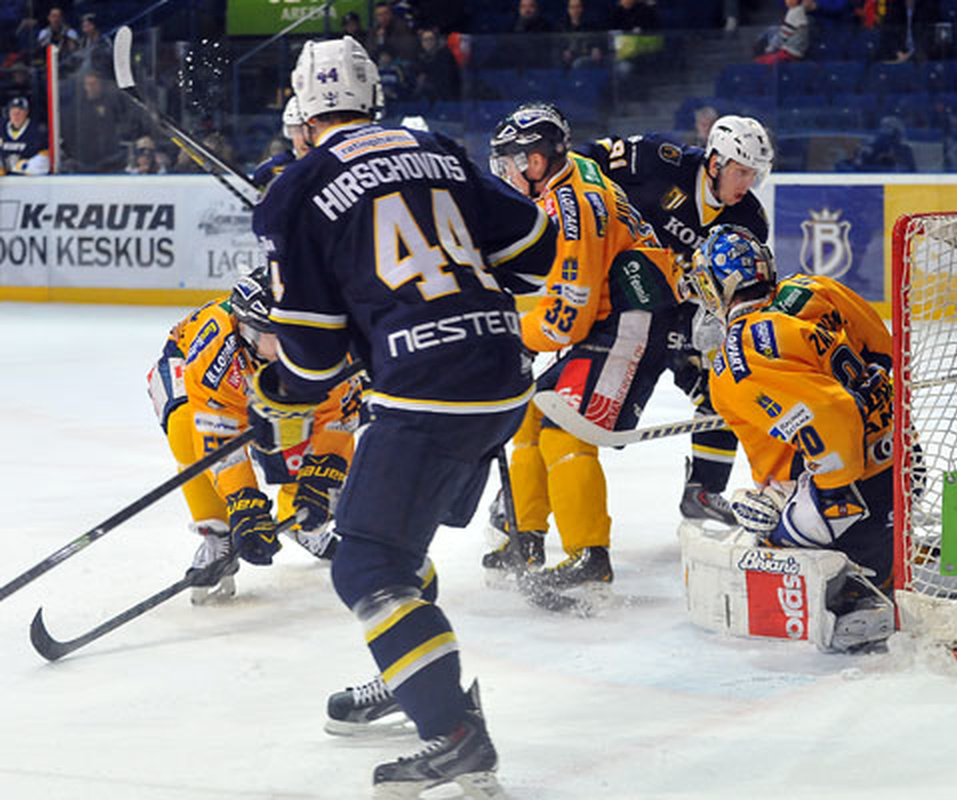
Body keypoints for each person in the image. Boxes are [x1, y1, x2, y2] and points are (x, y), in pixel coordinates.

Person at [248, 37, 557, 796]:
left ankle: (452, 730)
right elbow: (538, 251)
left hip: (430, 394)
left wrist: (275, 396)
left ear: (302, 114)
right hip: (502, 376)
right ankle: (414, 673)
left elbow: (315, 363)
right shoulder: (439, 151)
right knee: (400, 543)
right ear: (373, 98)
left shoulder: (297, 187)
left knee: (366, 563)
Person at [483, 103, 682, 598]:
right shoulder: (567, 178)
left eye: (512, 161)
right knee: (529, 416)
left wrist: (515, 337)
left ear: (536, 161)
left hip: (633, 321)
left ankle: (590, 560)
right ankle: (524, 538)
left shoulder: (574, 208)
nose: (506, 172)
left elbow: (566, 316)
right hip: (610, 318)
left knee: (564, 431)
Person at [689, 224, 896, 649]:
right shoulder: (813, 289)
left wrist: (828, 502)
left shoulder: (737, 360)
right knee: (771, 506)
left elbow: (832, 416)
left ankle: (857, 595)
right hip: (905, 464)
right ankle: (890, 561)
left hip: (856, 492)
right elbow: (882, 348)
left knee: (763, 544)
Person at [575, 115, 773, 526]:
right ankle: (518, 503)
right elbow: (583, 161)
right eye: (740, 172)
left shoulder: (750, 221)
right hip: (623, 309)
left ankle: (703, 490)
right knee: (590, 415)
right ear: (715, 162)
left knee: (723, 391)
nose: (746, 184)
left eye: (753, 175)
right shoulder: (658, 160)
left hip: (684, 320)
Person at [148, 269, 359, 604]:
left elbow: (337, 415)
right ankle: (217, 533)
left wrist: (322, 474)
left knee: (293, 415)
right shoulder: (216, 348)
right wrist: (242, 501)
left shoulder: (321, 341)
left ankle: (295, 512)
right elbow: (216, 434)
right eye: (271, 335)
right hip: (185, 364)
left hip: (250, 376)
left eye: (291, 335)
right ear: (244, 327)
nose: (282, 347)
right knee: (185, 427)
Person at [250, 96, 309, 191]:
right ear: (288, 132)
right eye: (298, 130)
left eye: (312, 131)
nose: (306, 138)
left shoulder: (333, 163)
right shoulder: (270, 169)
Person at [1, 96, 49, 175]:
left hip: (29, 180)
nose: (16, 115)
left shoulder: (38, 131)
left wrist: (27, 166)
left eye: (20, 112)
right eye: (13, 112)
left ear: (26, 113)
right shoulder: (2, 128)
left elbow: (46, 157)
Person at [755, 0, 809, 64]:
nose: (788, 1)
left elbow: (785, 34)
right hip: (790, 49)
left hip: (791, 52)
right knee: (772, 30)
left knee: (761, 61)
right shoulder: (795, 11)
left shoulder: (796, 12)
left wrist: (770, 48)